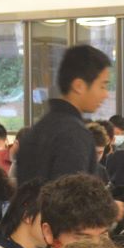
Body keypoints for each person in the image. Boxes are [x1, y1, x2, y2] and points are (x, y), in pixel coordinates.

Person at [14, 44, 112, 184]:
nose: (105, 94)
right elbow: (70, 200)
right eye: (102, 86)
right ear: (79, 86)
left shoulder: (37, 130)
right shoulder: (74, 134)